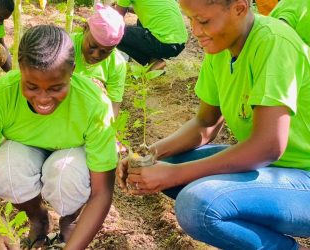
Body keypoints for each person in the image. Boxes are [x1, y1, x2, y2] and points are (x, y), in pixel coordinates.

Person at [117, 0, 310, 249]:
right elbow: (205, 123)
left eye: (204, 21)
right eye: (191, 20)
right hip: (274, 169)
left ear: (239, 8)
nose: (195, 31)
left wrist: (173, 175)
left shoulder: (273, 43)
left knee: (197, 205)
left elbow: (268, 146)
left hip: (301, 175)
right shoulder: (221, 48)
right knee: (170, 164)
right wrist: (148, 155)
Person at [0, 25, 118, 249]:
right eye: (31, 86)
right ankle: (38, 218)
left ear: (72, 71)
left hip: (72, 158)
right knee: (7, 168)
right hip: (24, 151)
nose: (43, 99)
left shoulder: (94, 105)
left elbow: (102, 193)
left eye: (56, 88)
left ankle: (70, 220)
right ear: (20, 69)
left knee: (66, 174)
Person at [72, 3, 126, 116]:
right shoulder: (65, 47)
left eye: (105, 52)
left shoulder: (117, 63)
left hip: (89, 115)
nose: (96, 55)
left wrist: (108, 131)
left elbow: (113, 105)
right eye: (92, 46)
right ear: (85, 29)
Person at [115, 0, 188, 71]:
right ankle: (155, 61)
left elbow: (114, 21)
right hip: (179, 43)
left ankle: (152, 61)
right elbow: (149, 10)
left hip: (162, 44)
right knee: (141, 20)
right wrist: (127, 8)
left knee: (114, 33)